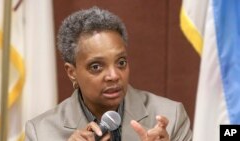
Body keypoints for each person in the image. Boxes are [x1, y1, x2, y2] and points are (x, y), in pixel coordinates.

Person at [25, 6, 192, 141]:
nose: (113, 75)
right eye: (96, 66)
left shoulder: (170, 117)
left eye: (121, 63)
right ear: (72, 72)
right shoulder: (41, 132)